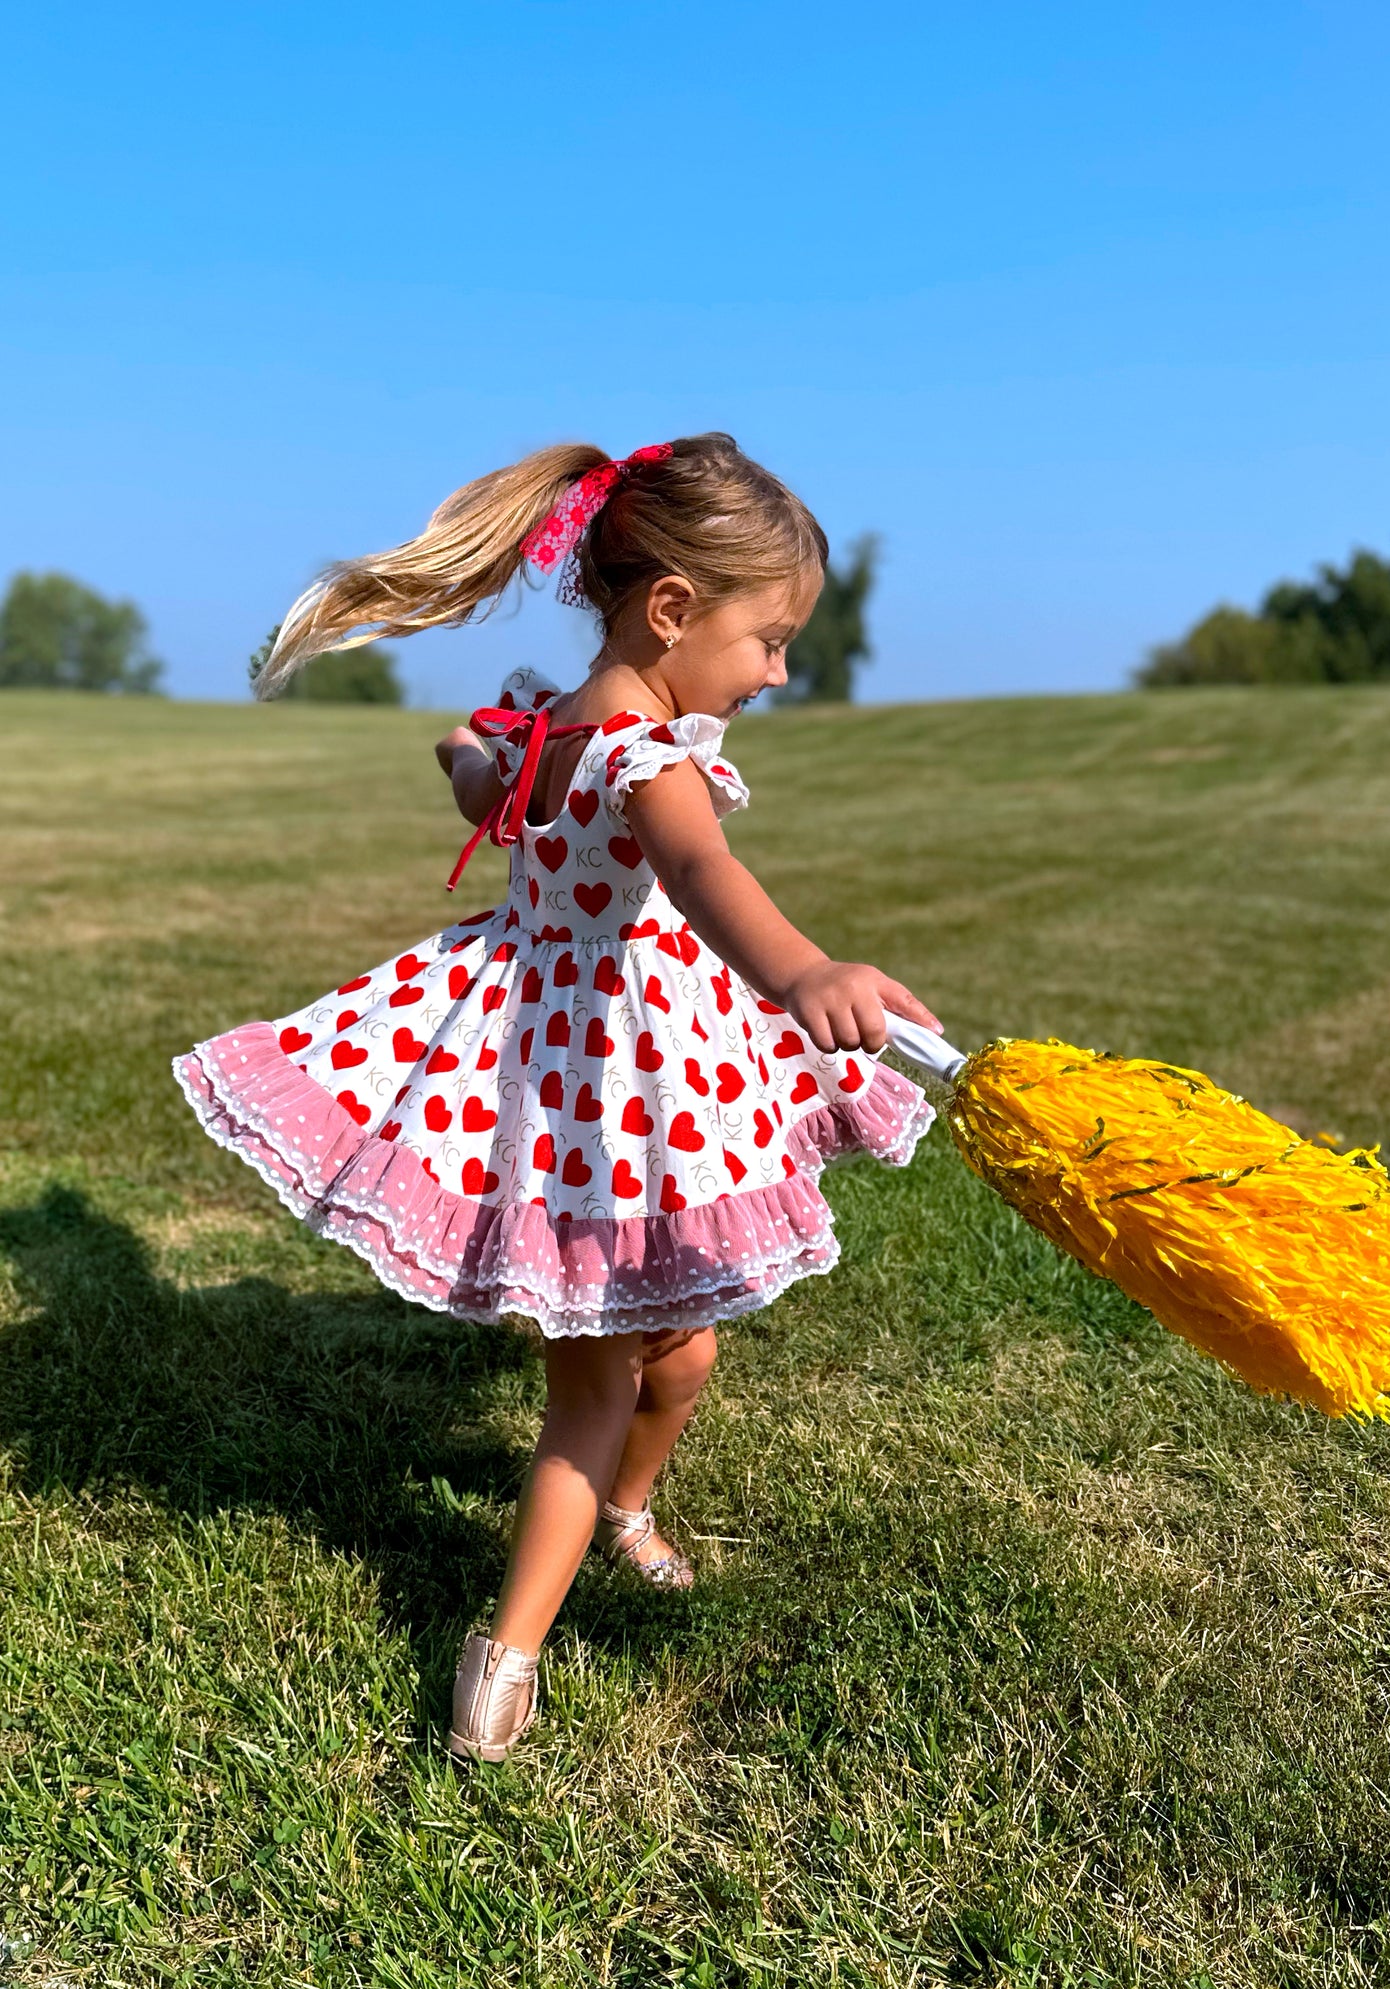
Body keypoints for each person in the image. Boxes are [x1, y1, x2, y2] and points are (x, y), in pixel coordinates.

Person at [173, 433, 941, 1764]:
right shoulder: (649, 761)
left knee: (682, 1353)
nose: (775, 671)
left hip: (580, 1050)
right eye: (768, 640)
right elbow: (702, 877)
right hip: (604, 1090)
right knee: (592, 1385)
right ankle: (504, 1660)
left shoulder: (555, 730)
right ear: (672, 611)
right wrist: (804, 969)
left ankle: (629, 1515)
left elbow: (491, 779)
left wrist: (468, 759)